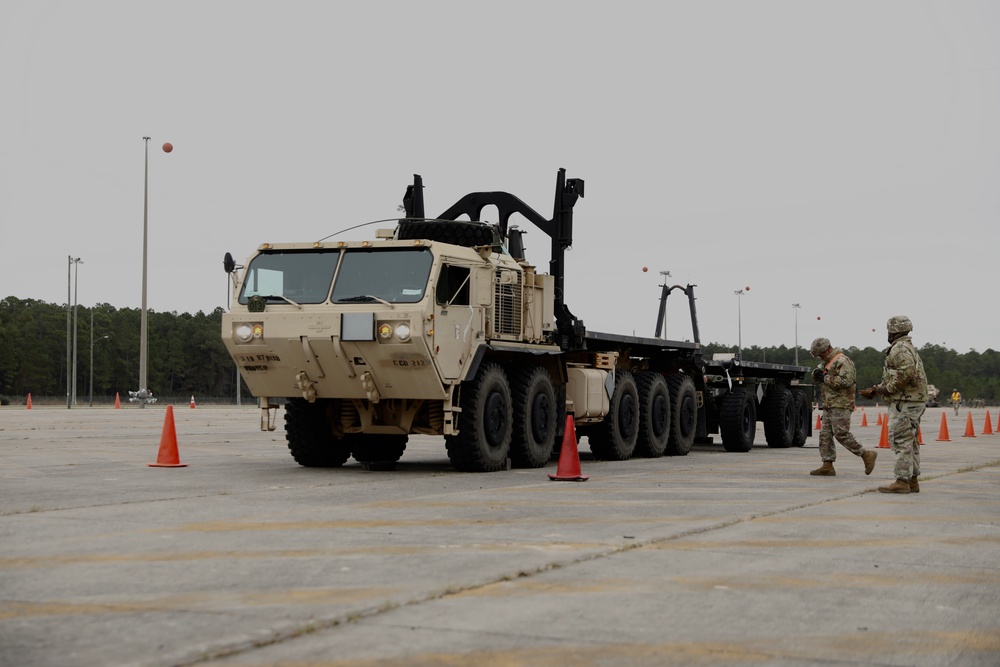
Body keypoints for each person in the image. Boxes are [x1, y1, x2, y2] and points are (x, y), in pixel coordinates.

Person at [860, 315, 929, 494]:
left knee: (900, 439)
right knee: (910, 440)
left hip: (906, 401)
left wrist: (885, 390)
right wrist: (877, 389)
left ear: (893, 331)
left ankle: (902, 481)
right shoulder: (907, 347)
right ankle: (912, 480)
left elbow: (906, 374)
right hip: (912, 400)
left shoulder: (899, 349)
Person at [808, 337, 877, 477]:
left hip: (841, 404)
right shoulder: (827, 362)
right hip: (829, 404)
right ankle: (827, 465)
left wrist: (824, 378)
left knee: (841, 433)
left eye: (821, 354)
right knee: (825, 435)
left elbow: (846, 381)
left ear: (827, 349)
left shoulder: (843, 361)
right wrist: (816, 374)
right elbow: (818, 374)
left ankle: (866, 455)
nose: (820, 357)